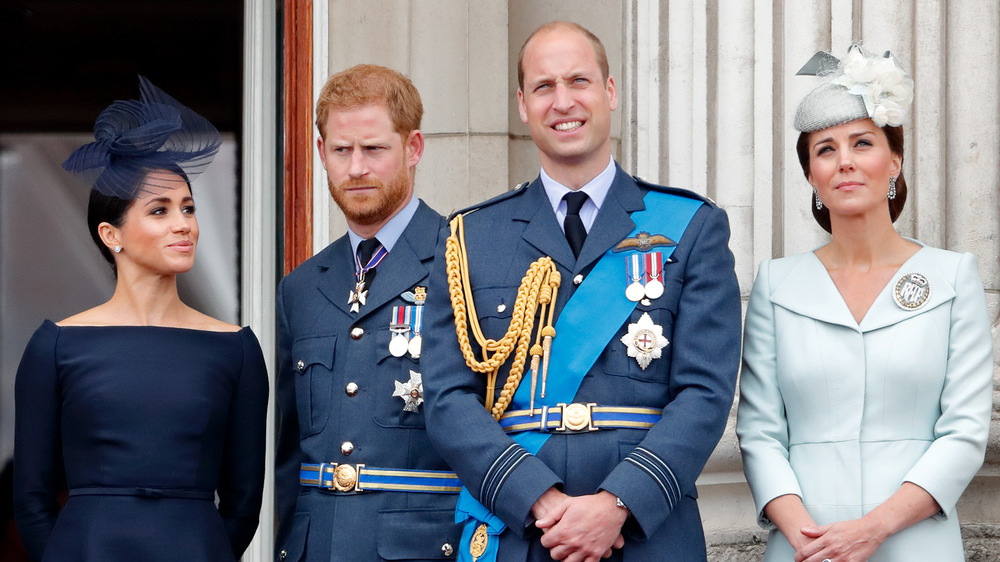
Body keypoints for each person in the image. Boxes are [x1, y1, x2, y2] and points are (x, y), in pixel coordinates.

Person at [421, 21, 741, 561]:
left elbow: (705, 394)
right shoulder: (470, 237)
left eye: (579, 81)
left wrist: (617, 504)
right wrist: (540, 501)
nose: (563, 101)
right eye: (544, 87)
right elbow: (449, 399)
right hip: (523, 530)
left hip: (644, 534)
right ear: (523, 104)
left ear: (610, 92)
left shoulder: (691, 225)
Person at [737, 46, 993, 562]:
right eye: (825, 149)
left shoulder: (950, 277)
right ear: (811, 174)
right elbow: (760, 432)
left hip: (916, 541)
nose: (845, 161)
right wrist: (811, 540)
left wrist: (872, 529)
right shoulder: (776, 284)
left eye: (862, 143)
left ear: (894, 159)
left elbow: (964, 431)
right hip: (803, 546)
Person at [13, 76, 269, 561]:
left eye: (188, 208)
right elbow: (31, 498)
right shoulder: (57, 345)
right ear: (112, 235)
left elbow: (244, 502)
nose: (184, 225)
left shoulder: (236, 348)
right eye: (160, 210)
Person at [274, 64, 462, 562]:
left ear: (413, 148)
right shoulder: (300, 287)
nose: (356, 167)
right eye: (341, 150)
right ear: (321, 154)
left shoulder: (465, 262)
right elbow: (286, 455)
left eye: (374, 149)